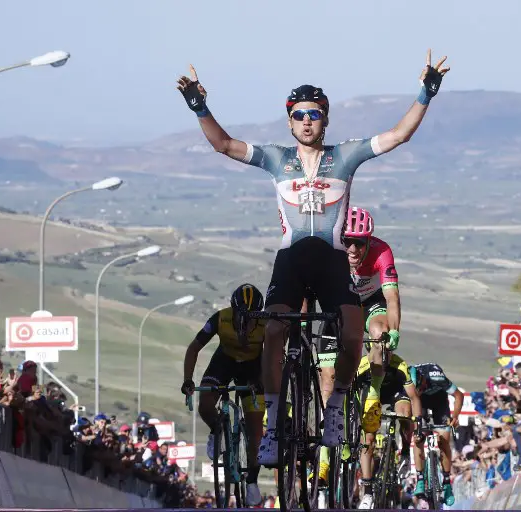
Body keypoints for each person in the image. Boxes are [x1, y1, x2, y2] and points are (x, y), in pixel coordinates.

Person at [177, 49, 450, 465]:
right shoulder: (275, 159)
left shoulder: (345, 156)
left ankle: (336, 410)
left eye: (315, 113)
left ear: (326, 119)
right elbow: (224, 144)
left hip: (331, 260)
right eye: (300, 114)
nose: (307, 120)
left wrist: (426, 93)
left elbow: (398, 136)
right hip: (290, 260)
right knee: (273, 334)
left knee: (354, 329)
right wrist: (198, 104)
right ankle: (272, 426)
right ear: (289, 121)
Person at [316, 206, 402, 485]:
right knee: (327, 379)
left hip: (370, 303)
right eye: (347, 241)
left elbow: (391, 297)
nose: (352, 248)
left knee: (379, 331)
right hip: (337, 308)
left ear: (369, 241)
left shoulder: (381, 251)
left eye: (359, 242)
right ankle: (325, 456)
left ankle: (373, 395)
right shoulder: (329, 250)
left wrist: (394, 331)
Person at [180, 284, 266, 507]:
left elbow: (275, 357)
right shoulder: (220, 318)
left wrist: (262, 382)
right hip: (224, 362)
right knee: (205, 405)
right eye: (242, 315)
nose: (246, 321)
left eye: (251, 317)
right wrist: (188, 379)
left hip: (253, 368)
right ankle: (217, 430)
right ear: (233, 309)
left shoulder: (266, 323)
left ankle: (252, 481)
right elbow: (194, 348)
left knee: (257, 431)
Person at [356, 352, 420, 510]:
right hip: (373, 393)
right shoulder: (363, 364)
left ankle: (404, 451)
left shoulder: (400, 365)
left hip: (396, 393)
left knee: (405, 415)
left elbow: (414, 397)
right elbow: (353, 394)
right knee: (368, 440)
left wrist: (418, 423)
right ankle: (368, 492)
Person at [409, 363, 465, 506]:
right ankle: (420, 479)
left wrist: (455, 417)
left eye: (419, 388)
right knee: (418, 437)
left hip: (439, 401)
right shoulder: (408, 382)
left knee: (444, 441)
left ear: (423, 381)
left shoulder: (437, 377)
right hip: (419, 403)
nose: (419, 390)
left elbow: (458, 395)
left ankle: (447, 484)